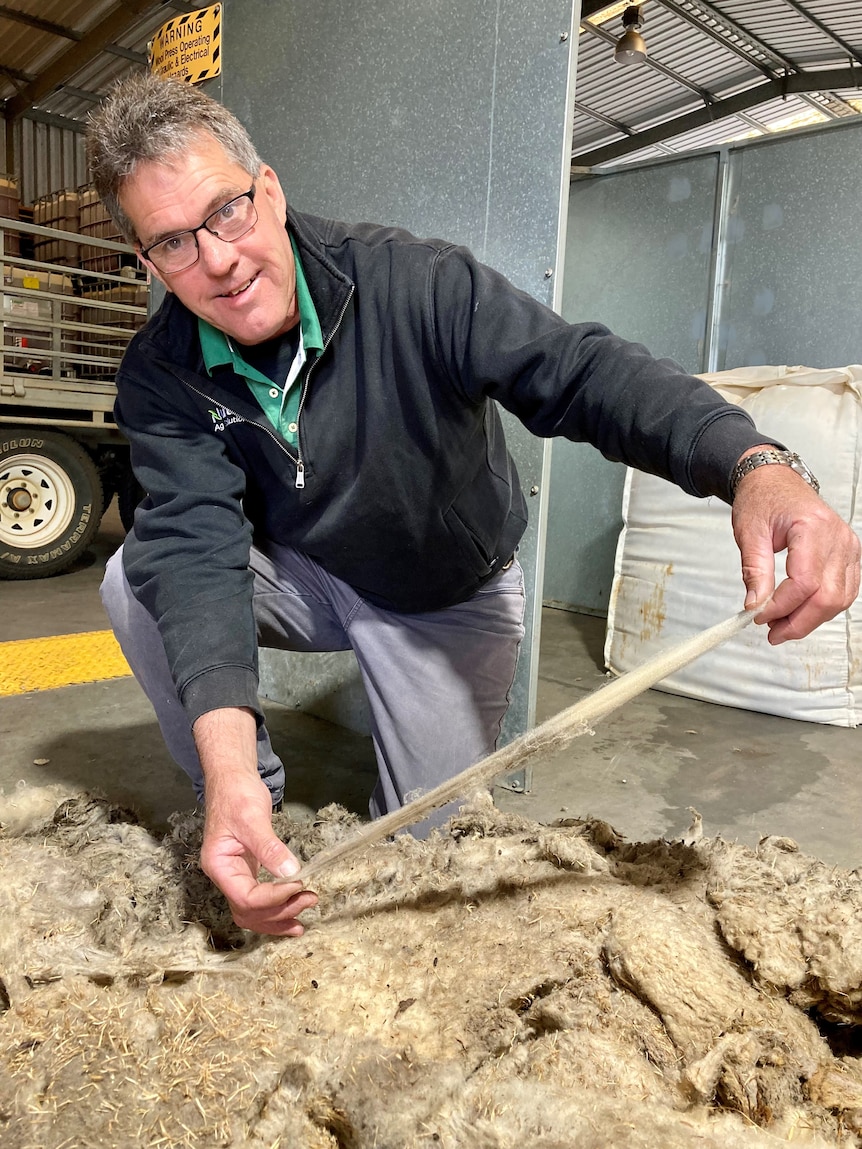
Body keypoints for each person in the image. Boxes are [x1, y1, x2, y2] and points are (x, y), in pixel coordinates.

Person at [87, 73, 860, 938]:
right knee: (135, 572)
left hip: (439, 592)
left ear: (269, 190)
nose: (218, 260)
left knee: (421, 870)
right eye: (174, 244)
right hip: (307, 571)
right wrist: (226, 772)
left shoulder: (414, 284)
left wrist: (754, 463)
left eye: (226, 212)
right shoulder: (162, 372)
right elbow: (195, 545)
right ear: (149, 261)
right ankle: (244, 812)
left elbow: (582, 371)